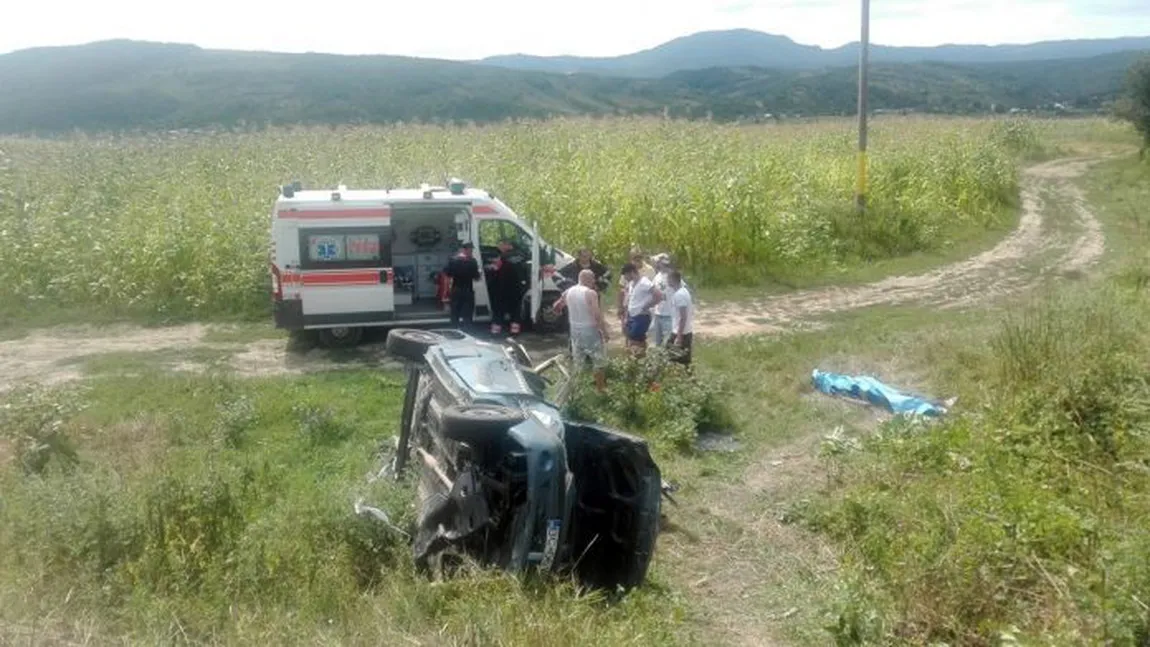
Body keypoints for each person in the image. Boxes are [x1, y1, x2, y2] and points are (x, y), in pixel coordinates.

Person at [552, 269, 610, 391]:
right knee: (598, 360)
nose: (594, 281)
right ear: (587, 279)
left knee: (578, 361)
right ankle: (601, 389)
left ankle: (577, 390)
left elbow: (556, 306)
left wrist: (558, 311)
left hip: (574, 329)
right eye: (593, 278)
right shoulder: (590, 293)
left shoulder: (569, 291)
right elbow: (597, 314)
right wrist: (604, 332)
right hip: (589, 329)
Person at [487, 239, 528, 336]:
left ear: (508, 245)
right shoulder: (522, 256)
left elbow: (496, 271)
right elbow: (525, 272)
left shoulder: (503, 257)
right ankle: (514, 331)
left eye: (500, 245)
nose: (499, 247)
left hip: (503, 289)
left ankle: (495, 332)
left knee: (499, 310)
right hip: (517, 289)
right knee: (515, 311)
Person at [619, 262, 662, 355]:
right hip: (632, 316)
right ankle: (642, 361)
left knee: (635, 342)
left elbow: (658, 295)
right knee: (635, 341)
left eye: (625, 275)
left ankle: (637, 362)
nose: (625, 278)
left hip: (641, 317)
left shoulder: (644, 282)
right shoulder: (631, 284)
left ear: (632, 272)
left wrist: (646, 306)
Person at [616, 246, 656, 334]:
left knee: (640, 333)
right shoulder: (627, 269)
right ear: (631, 258)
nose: (637, 260)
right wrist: (620, 306)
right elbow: (621, 288)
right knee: (627, 329)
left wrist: (649, 305)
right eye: (634, 258)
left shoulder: (650, 270)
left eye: (639, 257)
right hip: (629, 305)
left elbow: (654, 289)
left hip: (643, 308)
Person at [443, 242, 480, 329]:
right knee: (467, 314)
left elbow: (447, 274)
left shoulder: (453, 260)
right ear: (467, 250)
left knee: (455, 313)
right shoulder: (472, 261)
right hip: (468, 291)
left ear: (462, 250)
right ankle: (467, 334)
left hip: (456, 290)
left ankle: (455, 332)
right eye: (471, 250)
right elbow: (477, 278)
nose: (471, 251)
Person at [665, 270, 694, 366]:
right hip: (685, 332)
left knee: (675, 360)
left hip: (681, 333)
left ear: (673, 279)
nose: (667, 281)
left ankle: (685, 379)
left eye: (668, 279)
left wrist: (679, 336)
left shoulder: (679, 295)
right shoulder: (683, 291)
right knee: (683, 361)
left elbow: (683, 317)